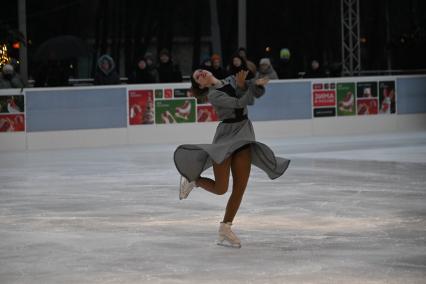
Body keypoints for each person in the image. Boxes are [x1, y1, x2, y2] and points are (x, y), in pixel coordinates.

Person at [173, 69, 290, 248]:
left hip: (243, 134)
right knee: (221, 188)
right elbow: (239, 102)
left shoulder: (230, 80)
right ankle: (194, 180)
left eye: (201, 71)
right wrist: (245, 86)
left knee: (239, 188)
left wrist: (256, 85)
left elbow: (253, 92)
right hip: (225, 138)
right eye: (197, 77)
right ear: (201, 86)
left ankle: (225, 228)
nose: (201, 74)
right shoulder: (213, 95)